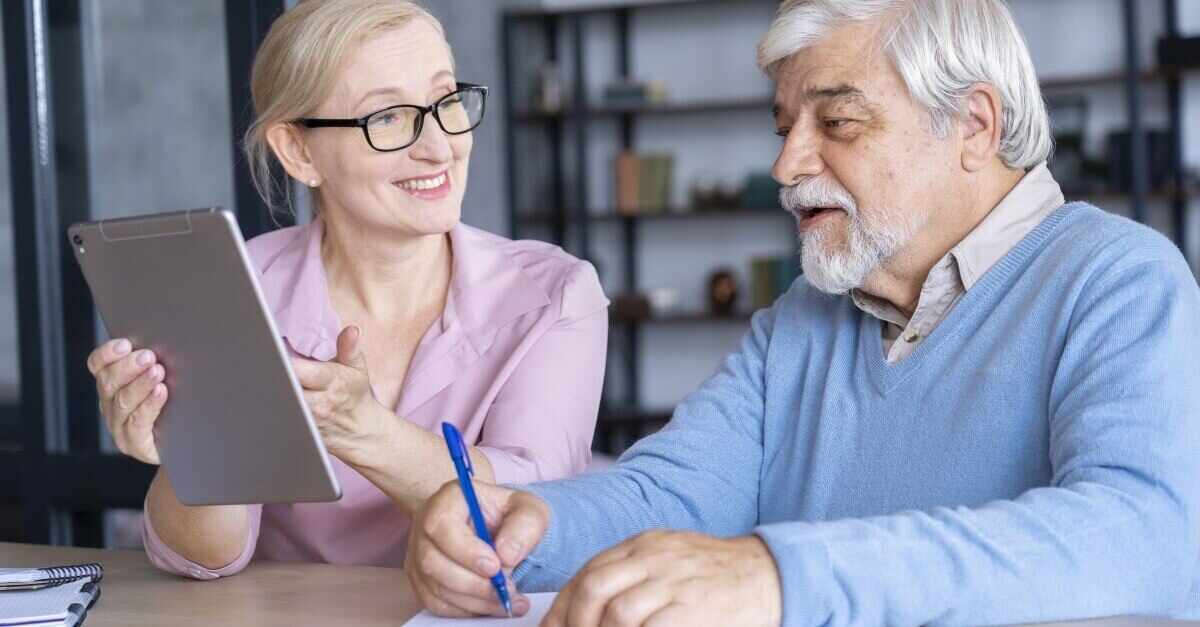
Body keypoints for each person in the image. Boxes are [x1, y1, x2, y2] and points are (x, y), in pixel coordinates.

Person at [406, 0, 1200, 624]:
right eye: (785, 127)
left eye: (838, 122)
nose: (787, 165)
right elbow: (672, 494)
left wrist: (780, 576)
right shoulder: (804, 317)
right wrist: (526, 522)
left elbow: (1142, 541)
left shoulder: (1119, 281)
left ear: (974, 126)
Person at [85, 0, 609, 579]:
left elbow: (537, 522)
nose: (439, 146)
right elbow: (204, 559)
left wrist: (366, 433)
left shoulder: (554, 295)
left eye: (446, 102)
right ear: (299, 151)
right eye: (387, 117)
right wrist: (194, 449)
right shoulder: (234, 290)